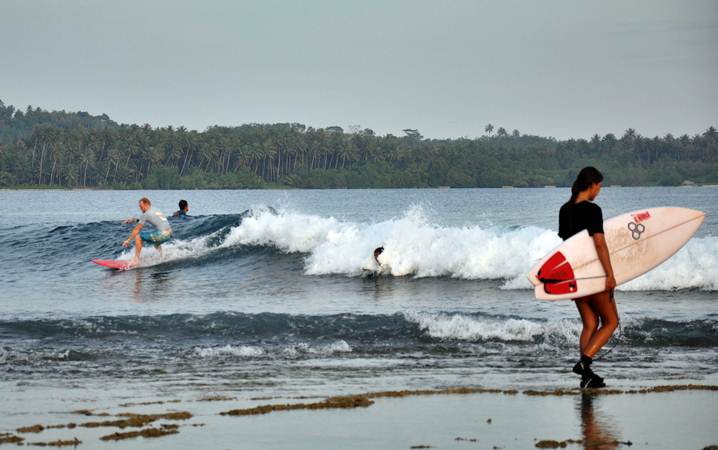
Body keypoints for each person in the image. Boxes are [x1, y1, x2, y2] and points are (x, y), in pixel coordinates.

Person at [558, 167, 618, 389]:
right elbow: (599, 244)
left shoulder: (565, 210)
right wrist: (610, 274)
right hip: (593, 274)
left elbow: (565, 247)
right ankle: (584, 363)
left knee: (590, 323)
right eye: (599, 186)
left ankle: (587, 376)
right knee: (611, 321)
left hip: (575, 274)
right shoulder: (593, 210)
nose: (599, 191)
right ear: (592, 185)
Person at [122, 197, 172, 266]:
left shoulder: (146, 214)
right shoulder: (156, 210)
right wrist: (133, 220)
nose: (140, 209)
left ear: (146, 204)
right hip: (169, 234)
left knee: (138, 236)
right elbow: (147, 218)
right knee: (155, 241)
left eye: (141, 207)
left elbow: (137, 229)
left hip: (162, 235)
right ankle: (161, 257)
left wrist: (128, 240)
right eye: (139, 207)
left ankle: (136, 260)